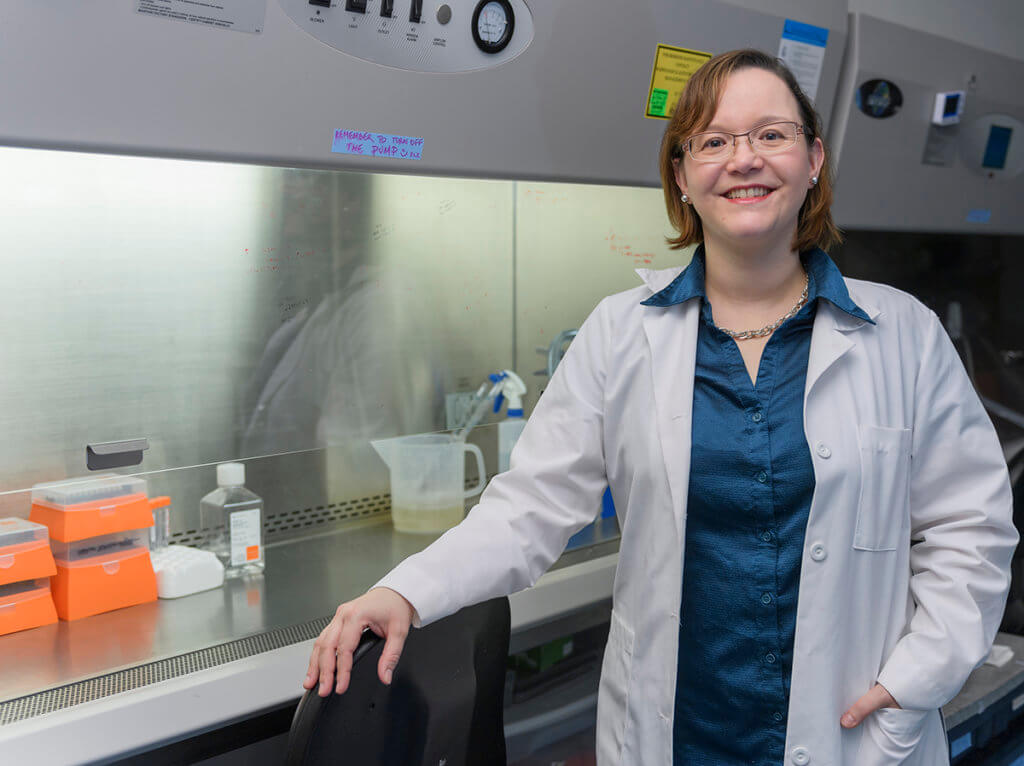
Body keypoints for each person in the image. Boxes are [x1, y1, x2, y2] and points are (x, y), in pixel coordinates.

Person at [303, 49, 1017, 765]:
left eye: (771, 135)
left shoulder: (902, 334)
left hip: (854, 733)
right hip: (677, 740)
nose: (744, 160)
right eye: (713, 141)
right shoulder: (621, 334)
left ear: (813, 159)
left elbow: (973, 530)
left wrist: (913, 682)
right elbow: (529, 508)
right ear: (682, 174)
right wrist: (408, 591)